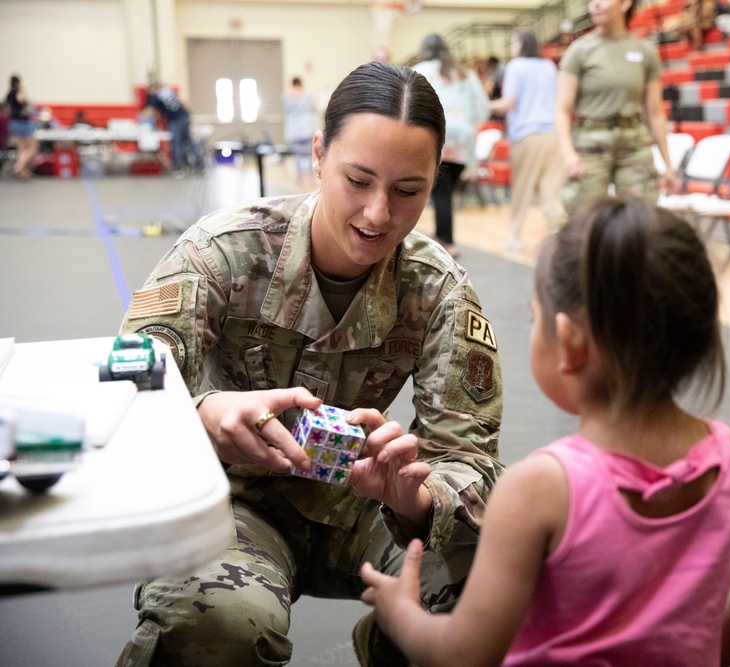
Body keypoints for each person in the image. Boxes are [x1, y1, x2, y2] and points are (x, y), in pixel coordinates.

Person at [114, 61, 504, 667]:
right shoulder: (224, 250)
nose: (378, 214)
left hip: (364, 506)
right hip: (235, 502)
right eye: (358, 180)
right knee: (215, 625)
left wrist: (417, 498)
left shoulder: (439, 290)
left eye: (408, 191)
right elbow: (124, 385)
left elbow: (471, 462)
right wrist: (204, 413)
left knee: (498, 598)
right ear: (319, 156)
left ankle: (393, 644)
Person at [361, 197, 730, 666]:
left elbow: (465, 653)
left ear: (569, 342)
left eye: (535, 318)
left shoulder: (541, 489)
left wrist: (398, 611)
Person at [554, 0, 676, 209]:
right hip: (591, 144)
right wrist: (569, 155)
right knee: (583, 218)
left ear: (625, 4)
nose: (595, 5)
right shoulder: (579, 51)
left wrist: (668, 164)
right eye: (592, 1)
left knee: (641, 216)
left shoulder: (644, 51)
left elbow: (655, 113)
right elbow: (562, 111)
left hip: (634, 145)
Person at [412, 34, 489, 258]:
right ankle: (440, 236)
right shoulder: (465, 73)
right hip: (463, 141)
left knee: (441, 194)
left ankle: (448, 242)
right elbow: (483, 106)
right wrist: (472, 128)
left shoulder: (422, 70)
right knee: (445, 193)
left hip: (438, 137)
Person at [488, 32, 566, 251]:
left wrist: (486, 105)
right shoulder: (549, 66)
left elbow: (509, 103)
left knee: (522, 187)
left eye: (513, 42)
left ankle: (515, 235)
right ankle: (558, 234)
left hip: (527, 135)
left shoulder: (516, 66)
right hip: (553, 135)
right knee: (551, 189)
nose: (512, 46)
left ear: (521, 44)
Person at [141, 80, 204, 174]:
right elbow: (183, 103)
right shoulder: (168, 91)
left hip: (175, 119)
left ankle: (177, 168)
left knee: (176, 142)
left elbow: (149, 111)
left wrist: (140, 119)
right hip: (184, 115)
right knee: (189, 140)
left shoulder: (156, 96)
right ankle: (200, 164)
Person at [282, 76, 319, 187]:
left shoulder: (288, 96)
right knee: (309, 154)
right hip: (306, 128)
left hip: (297, 131)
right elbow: (313, 109)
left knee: (298, 155)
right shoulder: (306, 95)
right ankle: (311, 177)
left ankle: (300, 179)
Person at [5, 75, 38, 180]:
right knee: (32, 148)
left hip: (13, 122)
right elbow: (22, 100)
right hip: (22, 123)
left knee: (22, 149)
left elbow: (7, 109)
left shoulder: (8, 94)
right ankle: (17, 167)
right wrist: (26, 103)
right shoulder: (19, 91)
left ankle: (24, 174)